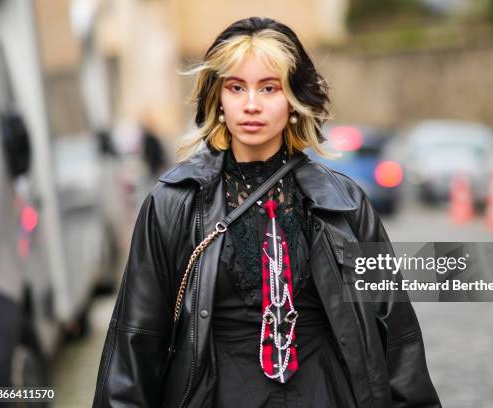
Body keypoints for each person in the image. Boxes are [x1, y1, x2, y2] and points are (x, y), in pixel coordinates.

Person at [93, 16, 441, 408]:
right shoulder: (174, 203)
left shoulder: (342, 204)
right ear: (218, 98)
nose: (252, 105)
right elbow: (138, 340)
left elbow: (396, 334)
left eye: (269, 88)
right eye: (236, 87)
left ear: (293, 99)